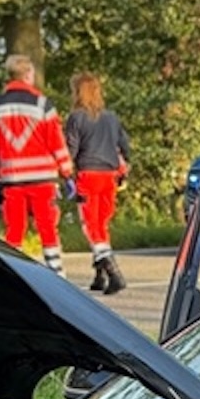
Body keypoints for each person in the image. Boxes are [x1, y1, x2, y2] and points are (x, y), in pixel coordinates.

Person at [0, 54, 73, 277]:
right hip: (42, 179)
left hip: (12, 180)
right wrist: (68, 173)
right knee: (47, 228)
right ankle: (57, 275)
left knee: (14, 231)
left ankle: (15, 278)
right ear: (28, 75)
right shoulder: (43, 105)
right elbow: (56, 143)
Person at [63, 73, 131, 295]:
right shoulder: (111, 117)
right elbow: (124, 145)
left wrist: (64, 174)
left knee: (91, 227)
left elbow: (70, 150)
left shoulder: (76, 118)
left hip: (88, 175)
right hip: (109, 176)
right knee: (102, 224)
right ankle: (99, 275)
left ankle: (114, 273)